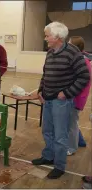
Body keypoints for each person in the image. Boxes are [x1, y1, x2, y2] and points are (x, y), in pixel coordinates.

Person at [31, 22, 90, 179]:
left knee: (60, 135)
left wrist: (67, 93)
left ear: (57, 37)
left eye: (47, 35)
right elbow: (45, 73)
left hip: (62, 102)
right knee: (47, 131)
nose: (45, 39)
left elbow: (84, 76)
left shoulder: (73, 52)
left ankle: (59, 166)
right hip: (48, 99)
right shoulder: (50, 52)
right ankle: (49, 156)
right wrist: (40, 90)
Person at [67, 36, 91, 156]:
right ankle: (80, 141)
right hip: (75, 96)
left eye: (69, 44)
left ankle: (72, 148)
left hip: (77, 98)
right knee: (72, 121)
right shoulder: (81, 58)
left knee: (72, 123)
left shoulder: (83, 61)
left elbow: (82, 81)